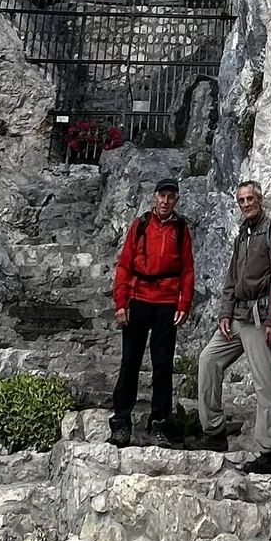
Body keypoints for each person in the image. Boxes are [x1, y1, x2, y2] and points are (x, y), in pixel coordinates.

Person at [195, 179, 271, 472]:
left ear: (260, 200)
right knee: (208, 360)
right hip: (237, 317)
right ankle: (214, 431)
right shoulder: (243, 235)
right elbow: (232, 278)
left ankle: (268, 450)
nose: (246, 204)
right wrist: (225, 313)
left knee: (267, 384)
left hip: (261, 319)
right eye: (241, 200)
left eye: (250, 199)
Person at [109, 177, 193, 445]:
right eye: (162, 196)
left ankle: (159, 422)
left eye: (171, 196)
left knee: (163, 365)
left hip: (166, 303)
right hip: (138, 298)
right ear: (154, 197)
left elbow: (188, 270)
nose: (166, 201)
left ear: (176, 200)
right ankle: (121, 422)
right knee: (129, 362)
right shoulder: (140, 225)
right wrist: (121, 302)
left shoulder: (181, 230)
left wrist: (184, 303)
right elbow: (124, 265)